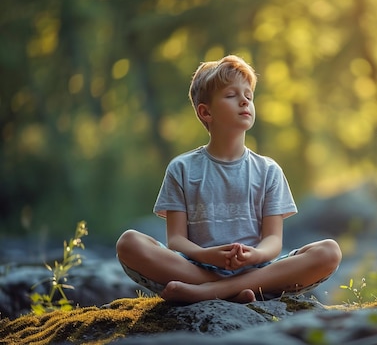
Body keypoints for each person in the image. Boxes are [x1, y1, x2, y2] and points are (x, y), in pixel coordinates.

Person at [116, 55, 342, 304]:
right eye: (231, 95)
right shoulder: (182, 168)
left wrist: (255, 255)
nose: (244, 100)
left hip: (258, 268)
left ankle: (207, 292)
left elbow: (274, 241)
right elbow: (176, 240)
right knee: (129, 242)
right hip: (198, 267)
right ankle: (235, 291)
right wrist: (206, 255)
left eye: (249, 95)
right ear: (206, 111)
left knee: (329, 251)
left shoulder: (268, 170)